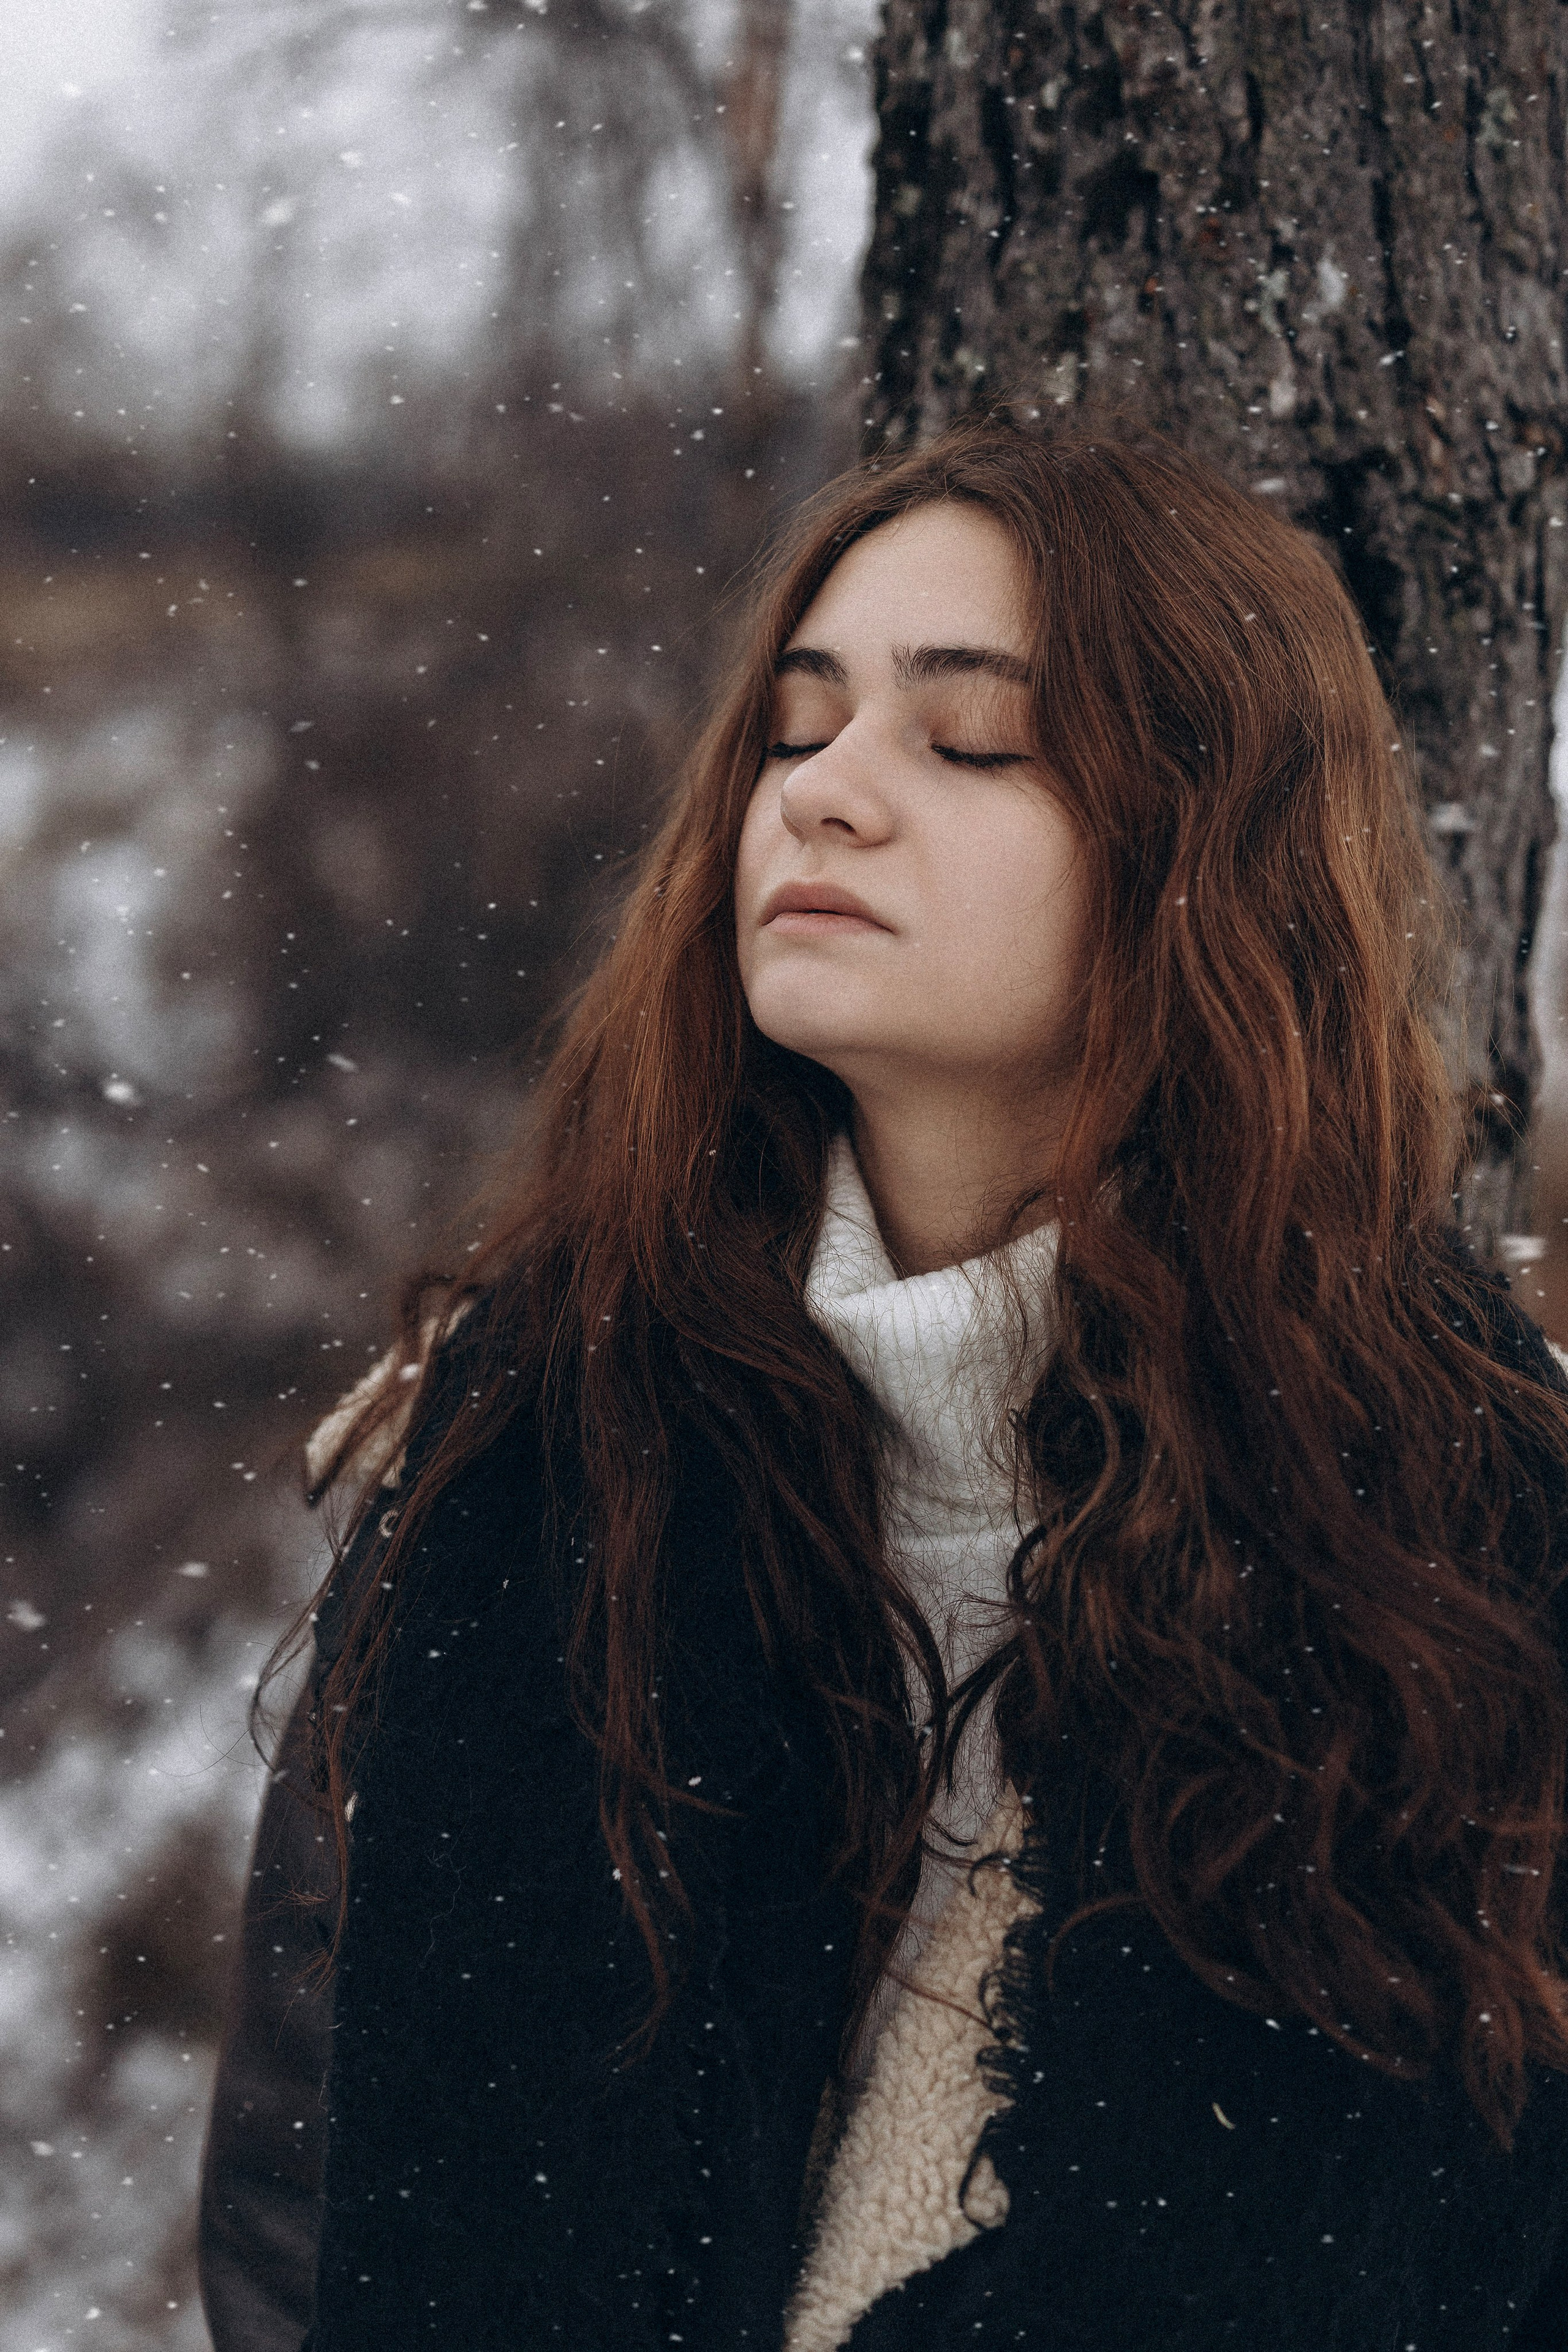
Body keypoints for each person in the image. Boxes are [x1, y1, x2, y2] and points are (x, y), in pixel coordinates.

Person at [198, 416, 1568, 2351]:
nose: (825, 797)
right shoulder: (541, 1445)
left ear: (1200, 846)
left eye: (971, 740)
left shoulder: (1463, 1538)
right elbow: (303, 2202)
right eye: (798, 724)